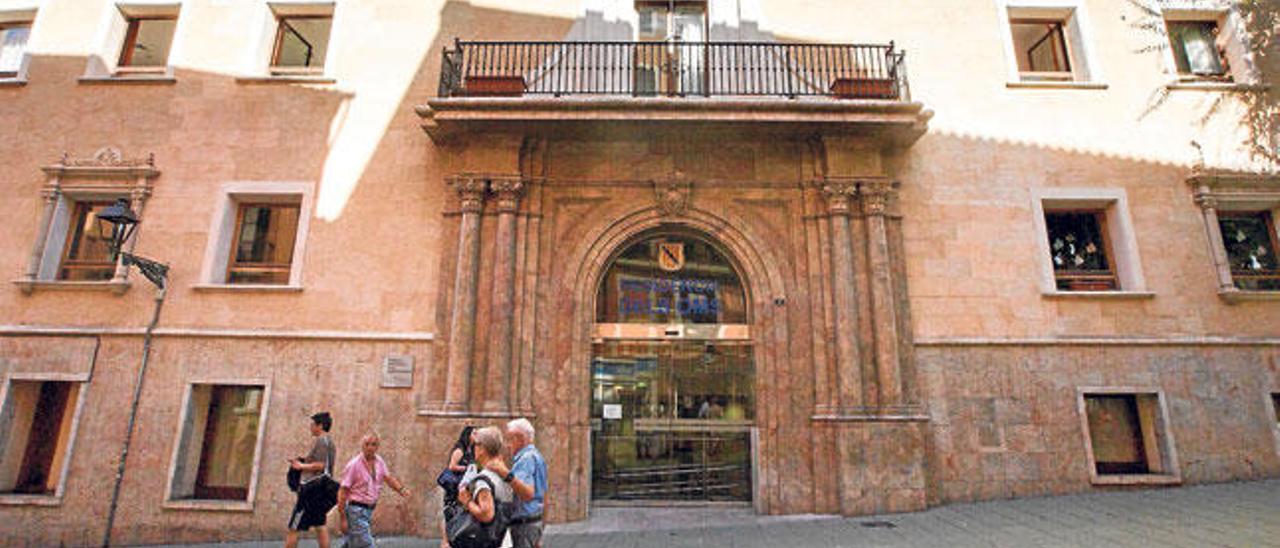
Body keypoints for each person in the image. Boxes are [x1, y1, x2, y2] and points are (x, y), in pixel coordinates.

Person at [336, 432, 411, 548]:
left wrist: (401, 489)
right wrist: (343, 518)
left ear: (377, 447)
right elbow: (343, 491)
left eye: (373, 444)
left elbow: (388, 477)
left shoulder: (379, 461)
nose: (370, 447)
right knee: (366, 544)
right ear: (362, 445)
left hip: (368, 511)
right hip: (356, 511)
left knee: (352, 544)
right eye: (367, 444)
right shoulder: (354, 465)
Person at [444, 426, 515, 548]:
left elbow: (486, 515)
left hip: (488, 541)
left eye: (475, 445)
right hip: (504, 538)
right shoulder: (503, 473)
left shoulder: (483, 480)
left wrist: (467, 501)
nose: (473, 449)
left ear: (482, 448)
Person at [483, 418, 547, 548]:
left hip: (524, 525)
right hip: (533, 522)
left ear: (520, 438)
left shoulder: (526, 459)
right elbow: (545, 495)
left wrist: (504, 472)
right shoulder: (536, 456)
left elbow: (527, 494)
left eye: (509, 439)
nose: (507, 445)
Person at [286, 412, 336, 548]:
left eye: (313, 424)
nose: (311, 427)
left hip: (311, 490)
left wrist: (300, 465)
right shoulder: (329, 442)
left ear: (320, 426)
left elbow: (320, 465)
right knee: (320, 525)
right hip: (320, 489)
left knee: (294, 527)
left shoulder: (322, 441)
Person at [438, 426, 477, 544]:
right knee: (450, 516)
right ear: (468, 435)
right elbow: (452, 466)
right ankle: (446, 542)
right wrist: (467, 468)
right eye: (474, 433)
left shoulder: (471, 450)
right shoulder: (460, 449)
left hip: (462, 486)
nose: (477, 435)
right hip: (453, 488)